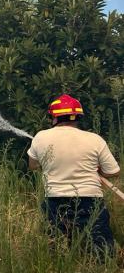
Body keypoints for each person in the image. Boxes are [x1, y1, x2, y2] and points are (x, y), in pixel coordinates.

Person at [28, 94, 119, 255]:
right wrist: (98, 170)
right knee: (100, 245)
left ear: (53, 117)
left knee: (54, 246)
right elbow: (113, 171)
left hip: (54, 200)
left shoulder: (40, 137)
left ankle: (57, 270)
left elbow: (33, 166)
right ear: (78, 116)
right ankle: (104, 272)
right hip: (91, 200)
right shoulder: (95, 139)